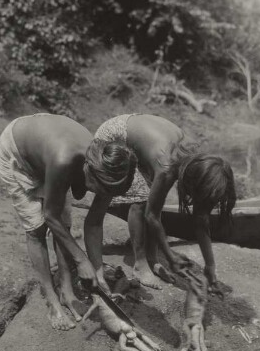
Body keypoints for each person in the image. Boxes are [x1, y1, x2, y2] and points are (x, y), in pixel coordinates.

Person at [0, 113, 137, 331]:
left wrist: (98, 271)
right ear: (89, 172)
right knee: (37, 227)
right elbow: (50, 217)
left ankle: (66, 291)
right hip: (18, 151)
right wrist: (81, 261)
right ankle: (52, 301)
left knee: (66, 223)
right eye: (98, 189)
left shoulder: (112, 172)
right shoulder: (65, 160)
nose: (100, 194)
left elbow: (94, 223)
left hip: (49, 150)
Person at [89, 114, 236, 290]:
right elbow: (151, 215)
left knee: (152, 199)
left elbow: (201, 219)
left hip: (147, 143)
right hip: (115, 135)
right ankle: (141, 264)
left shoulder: (199, 166)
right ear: (192, 183)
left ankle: (153, 260)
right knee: (141, 201)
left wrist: (210, 267)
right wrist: (169, 254)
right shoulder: (167, 167)